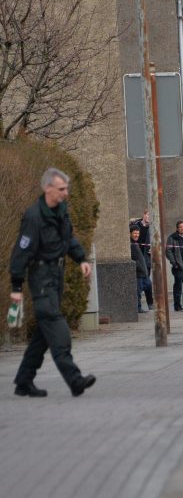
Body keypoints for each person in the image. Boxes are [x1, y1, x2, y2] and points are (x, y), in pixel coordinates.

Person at [9, 168, 96, 398]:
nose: (66, 193)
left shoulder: (60, 212)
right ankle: (75, 380)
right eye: (61, 189)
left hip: (56, 276)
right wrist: (16, 286)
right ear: (48, 188)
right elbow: (21, 251)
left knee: (43, 334)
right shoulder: (34, 216)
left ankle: (23, 381)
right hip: (40, 278)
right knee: (58, 329)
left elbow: (68, 239)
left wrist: (81, 259)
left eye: (66, 188)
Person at [131, 209, 154, 310]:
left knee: (148, 284)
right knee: (139, 286)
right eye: (148, 215)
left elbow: (157, 240)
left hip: (146, 259)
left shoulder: (153, 227)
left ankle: (150, 304)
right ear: (144, 215)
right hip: (137, 260)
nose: (149, 218)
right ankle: (138, 306)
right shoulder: (136, 225)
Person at [130, 225, 149, 314]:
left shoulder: (135, 243)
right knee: (138, 291)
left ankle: (139, 306)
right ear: (130, 233)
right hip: (138, 272)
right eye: (134, 233)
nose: (136, 235)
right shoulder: (132, 244)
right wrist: (142, 269)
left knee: (147, 285)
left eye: (138, 233)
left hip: (142, 272)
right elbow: (135, 260)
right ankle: (138, 307)